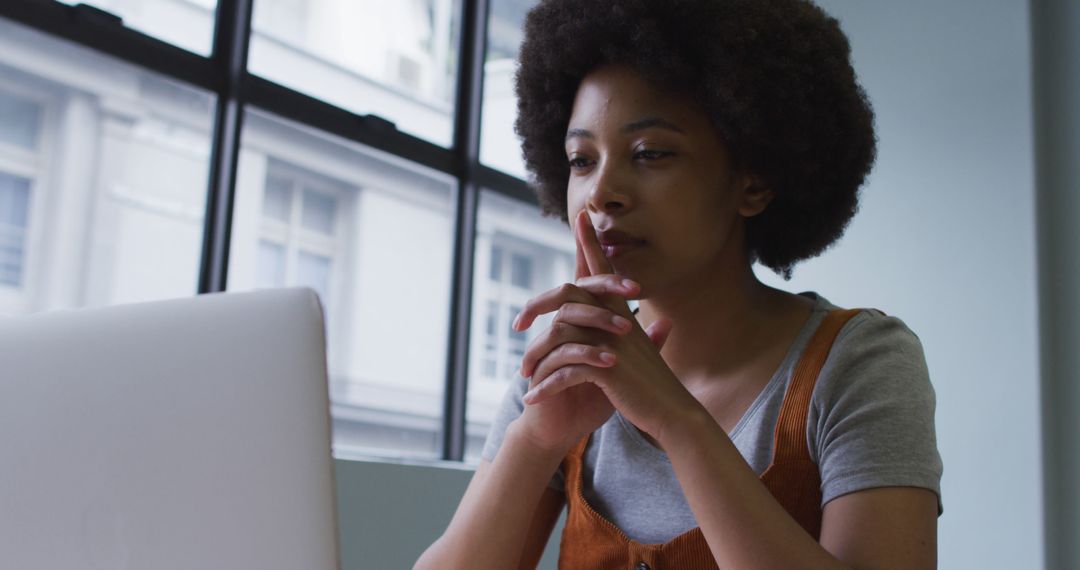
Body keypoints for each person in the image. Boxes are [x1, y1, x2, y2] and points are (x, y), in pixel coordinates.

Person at [415, 0, 942, 568]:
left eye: (650, 153)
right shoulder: (567, 360)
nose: (601, 193)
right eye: (581, 159)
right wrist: (534, 440)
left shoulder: (862, 362)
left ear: (754, 182)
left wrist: (676, 420)